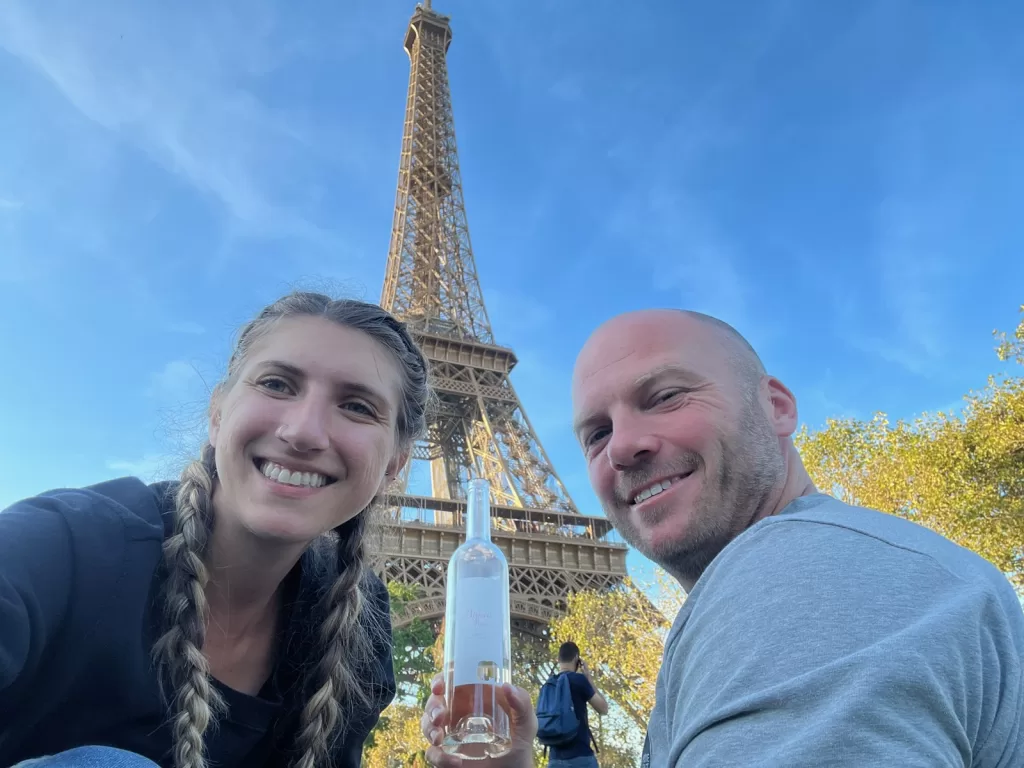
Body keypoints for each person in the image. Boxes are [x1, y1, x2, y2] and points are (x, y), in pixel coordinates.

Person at [422, 308, 1024, 766]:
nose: (624, 445)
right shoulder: (836, 569)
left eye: (665, 396)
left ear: (778, 407)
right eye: (597, 433)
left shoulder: (800, 580)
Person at [0, 292, 432, 768]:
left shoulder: (354, 617)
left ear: (395, 464)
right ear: (217, 413)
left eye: (355, 406)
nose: (304, 432)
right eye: (277, 384)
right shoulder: (68, 544)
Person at [541, 642, 608, 768]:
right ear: (577, 658)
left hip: (555, 759)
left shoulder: (547, 685)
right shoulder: (579, 680)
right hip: (581, 757)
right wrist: (588, 677)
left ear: (558, 660)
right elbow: (603, 708)